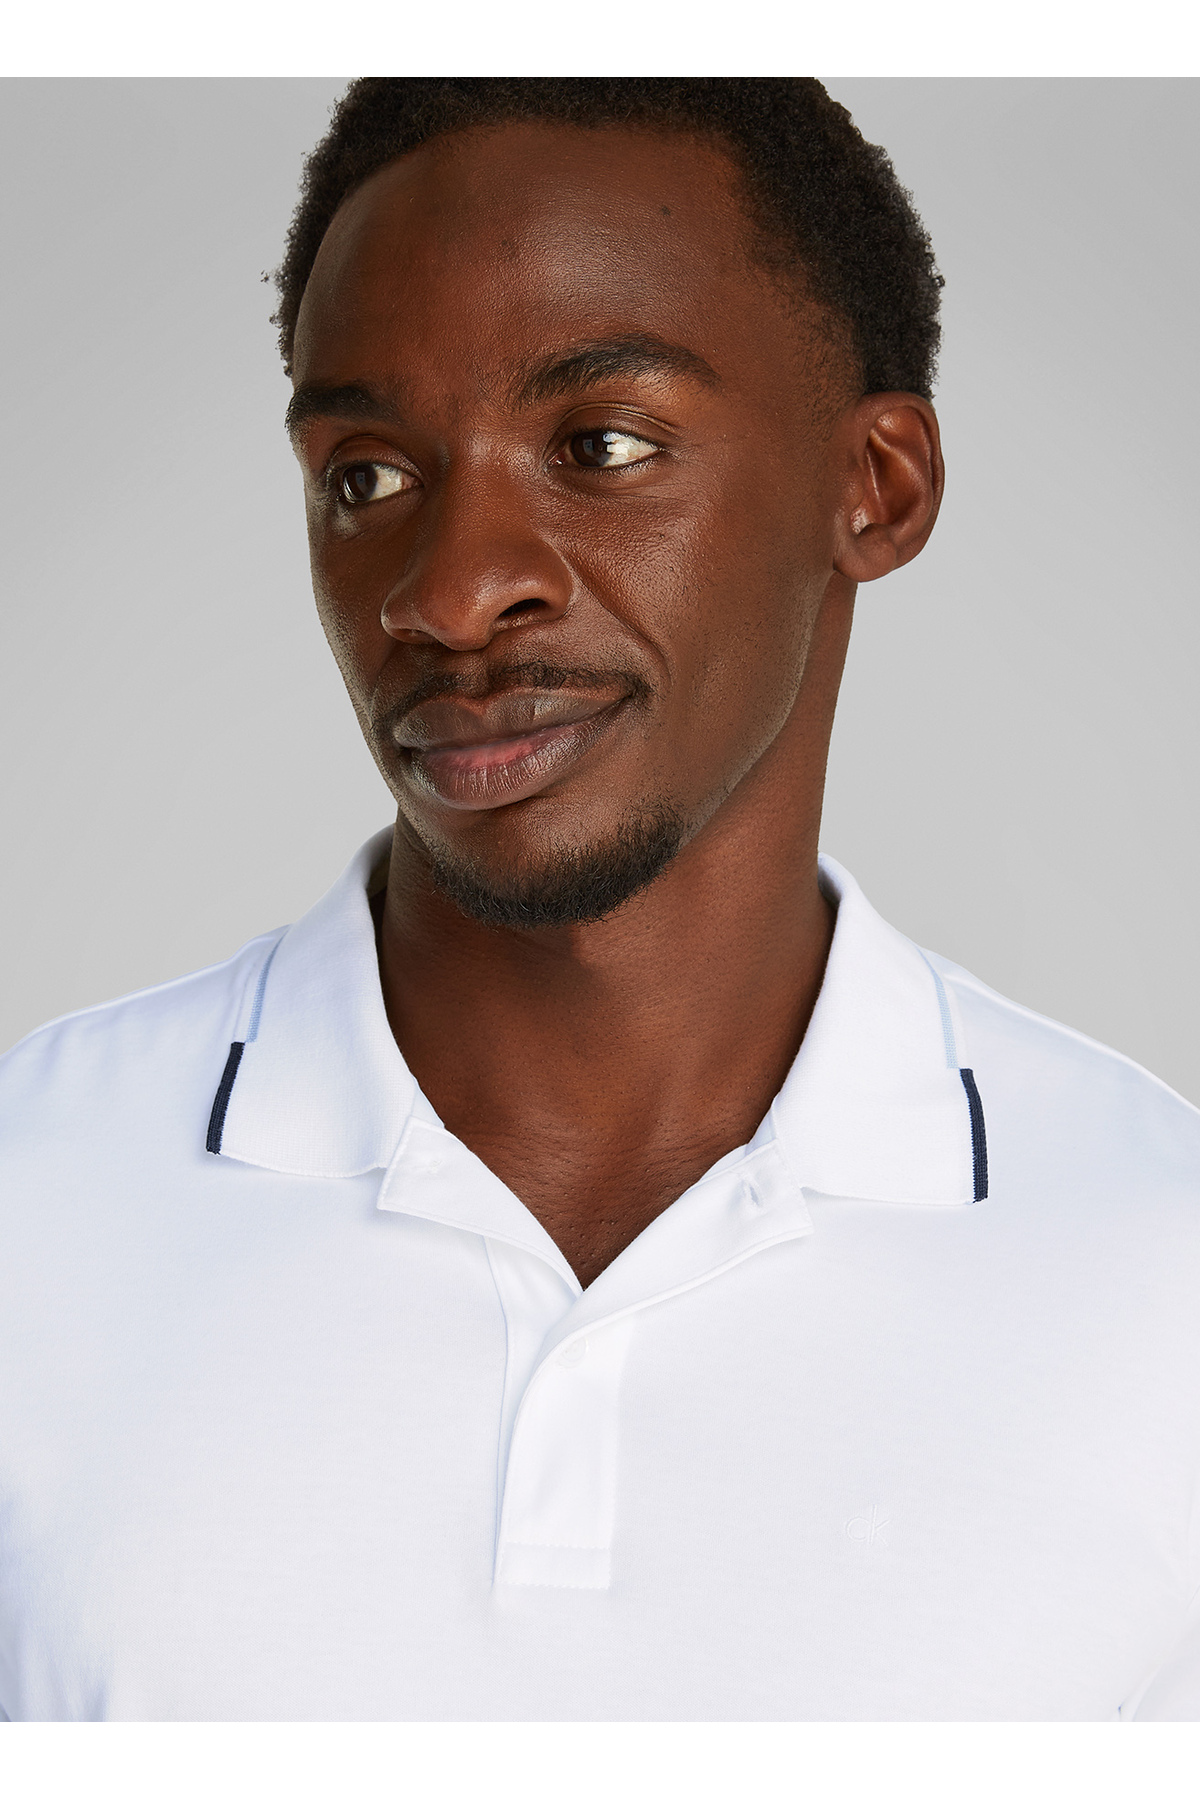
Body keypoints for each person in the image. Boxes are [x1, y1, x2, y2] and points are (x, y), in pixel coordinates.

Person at [1, 76, 1197, 1724]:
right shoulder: (32, 1205)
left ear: (879, 485)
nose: (449, 593)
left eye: (601, 446)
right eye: (367, 476)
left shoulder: (1162, 1272)